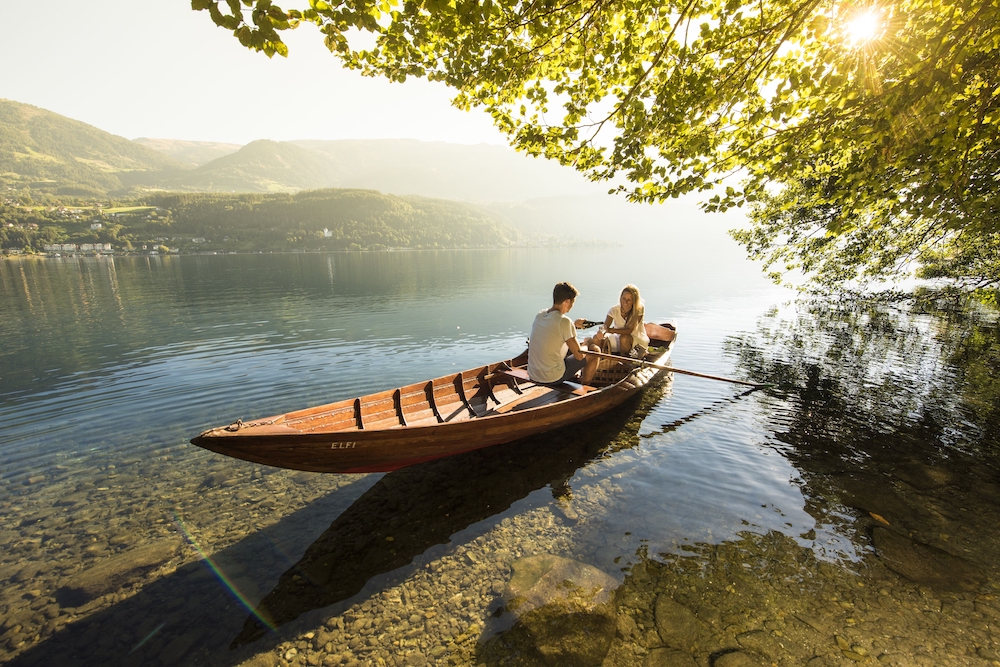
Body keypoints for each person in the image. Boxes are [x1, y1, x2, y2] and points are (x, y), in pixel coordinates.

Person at [528, 282, 600, 385]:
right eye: (573, 302)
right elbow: (579, 356)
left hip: (533, 374)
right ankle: (584, 389)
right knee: (594, 350)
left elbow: (554, 329)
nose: (572, 305)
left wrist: (574, 326)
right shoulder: (565, 322)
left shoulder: (540, 315)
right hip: (552, 378)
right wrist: (587, 343)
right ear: (567, 301)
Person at [592, 284, 649, 358]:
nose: (625, 302)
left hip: (636, 340)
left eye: (629, 300)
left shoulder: (639, 309)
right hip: (618, 338)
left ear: (634, 301)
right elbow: (605, 326)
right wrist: (601, 331)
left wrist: (610, 330)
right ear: (620, 298)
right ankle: (597, 362)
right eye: (623, 298)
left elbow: (629, 330)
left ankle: (624, 362)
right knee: (596, 338)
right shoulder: (614, 309)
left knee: (624, 338)